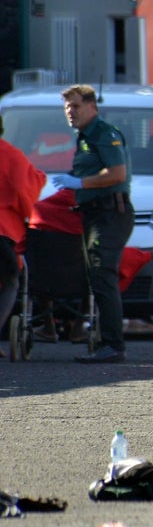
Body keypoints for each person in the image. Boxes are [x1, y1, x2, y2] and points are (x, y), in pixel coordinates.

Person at [51, 85, 134, 364]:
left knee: (102, 274)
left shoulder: (103, 133)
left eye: (75, 106)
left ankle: (113, 344)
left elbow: (116, 173)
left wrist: (81, 183)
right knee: (96, 278)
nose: (69, 112)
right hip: (93, 213)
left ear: (91, 107)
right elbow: (87, 170)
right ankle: (104, 342)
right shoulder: (84, 137)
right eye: (66, 107)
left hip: (111, 214)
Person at [0, 114, 46, 353]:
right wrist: (29, 213)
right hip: (3, 229)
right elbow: (22, 189)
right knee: (10, 282)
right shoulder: (11, 155)